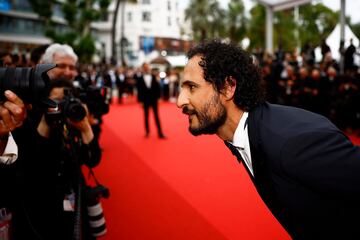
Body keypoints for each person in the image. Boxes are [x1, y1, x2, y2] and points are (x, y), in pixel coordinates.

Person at [176, 39, 360, 239]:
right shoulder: (250, 133)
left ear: (228, 87)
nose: (180, 101)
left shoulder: (291, 142)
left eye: (192, 87)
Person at [12, 78, 102, 239]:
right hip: (42, 201)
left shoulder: (73, 121)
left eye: (65, 100)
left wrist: (85, 127)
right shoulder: (33, 122)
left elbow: (93, 160)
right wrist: (47, 122)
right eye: (55, 101)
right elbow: (32, 161)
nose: (60, 105)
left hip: (73, 194)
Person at [135, 63, 166, 139]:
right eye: (144, 67)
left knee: (156, 116)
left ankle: (160, 132)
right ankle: (147, 132)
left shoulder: (153, 76)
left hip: (154, 99)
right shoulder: (140, 79)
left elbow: (157, 88)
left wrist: (159, 98)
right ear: (143, 68)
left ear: (149, 68)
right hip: (145, 100)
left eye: (147, 67)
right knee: (146, 116)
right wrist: (140, 101)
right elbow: (139, 91)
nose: (146, 68)